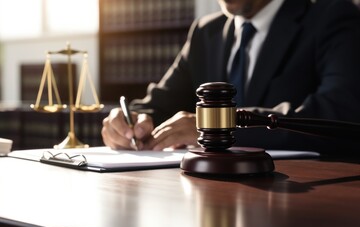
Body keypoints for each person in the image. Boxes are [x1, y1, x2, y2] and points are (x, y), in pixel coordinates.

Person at [102, 0, 360, 154]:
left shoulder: (331, 16)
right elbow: (157, 106)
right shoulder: (206, 32)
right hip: (210, 197)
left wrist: (215, 126)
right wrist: (129, 123)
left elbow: (339, 114)